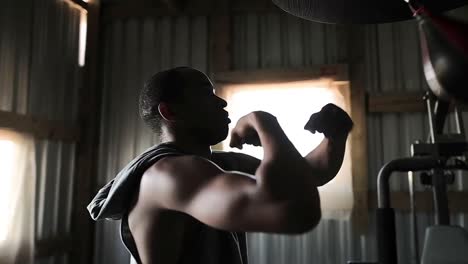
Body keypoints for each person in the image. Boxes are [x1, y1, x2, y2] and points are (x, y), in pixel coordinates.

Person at [87, 66, 353, 264]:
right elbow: (294, 209)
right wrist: (264, 123)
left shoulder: (218, 164)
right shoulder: (167, 174)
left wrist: (334, 135)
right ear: (169, 112)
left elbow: (309, 175)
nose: (221, 102)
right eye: (206, 94)